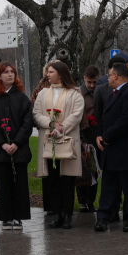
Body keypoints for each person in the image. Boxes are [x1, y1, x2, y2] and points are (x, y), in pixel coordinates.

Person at [94, 58, 128, 233]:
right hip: (111, 151)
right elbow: (105, 118)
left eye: (109, 76)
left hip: (126, 151)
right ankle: (103, 217)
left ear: (116, 76)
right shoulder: (114, 93)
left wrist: (107, 136)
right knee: (108, 186)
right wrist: (99, 134)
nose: (107, 79)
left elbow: (127, 120)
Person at [33, 61, 85, 228]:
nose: (48, 74)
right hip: (49, 140)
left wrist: (61, 128)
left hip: (67, 139)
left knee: (67, 180)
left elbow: (77, 115)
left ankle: (68, 214)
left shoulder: (74, 93)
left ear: (61, 74)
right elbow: (37, 113)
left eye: (51, 71)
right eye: (47, 71)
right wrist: (51, 124)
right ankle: (57, 214)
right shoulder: (43, 94)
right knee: (53, 179)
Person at [0, 63, 34, 228]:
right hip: (0, 150)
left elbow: (27, 123)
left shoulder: (21, 98)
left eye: (12, 72)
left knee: (19, 184)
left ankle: (18, 216)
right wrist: (3, 144)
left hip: (19, 150)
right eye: (6, 72)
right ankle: (6, 217)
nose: (10, 75)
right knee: (3, 184)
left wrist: (16, 143)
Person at [77, 65, 103, 214]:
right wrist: (81, 139)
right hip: (82, 136)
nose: (92, 86)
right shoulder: (78, 93)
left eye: (95, 82)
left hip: (96, 135)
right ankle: (82, 201)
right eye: (89, 83)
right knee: (83, 170)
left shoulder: (101, 91)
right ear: (84, 80)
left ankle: (91, 201)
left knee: (94, 170)